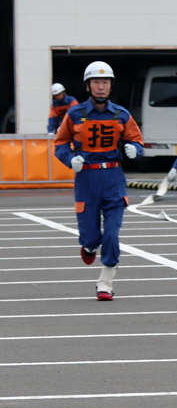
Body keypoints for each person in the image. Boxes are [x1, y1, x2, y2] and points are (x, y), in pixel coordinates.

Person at [53, 61, 144, 301]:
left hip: (113, 177)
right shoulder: (75, 114)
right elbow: (60, 143)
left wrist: (136, 149)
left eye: (105, 82)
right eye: (96, 82)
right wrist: (70, 159)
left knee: (112, 232)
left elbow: (136, 139)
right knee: (92, 236)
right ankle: (89, 245)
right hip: (87, 178)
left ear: (111, 85)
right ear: (88, 86)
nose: (101, 87)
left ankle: (106, 282)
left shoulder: (121, 115)